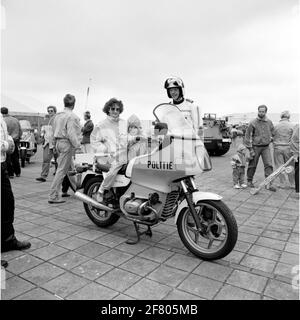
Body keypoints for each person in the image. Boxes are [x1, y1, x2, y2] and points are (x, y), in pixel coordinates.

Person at [96, 114, 148, 202]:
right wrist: (135, 139)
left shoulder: (142, 134)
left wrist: (156, 139)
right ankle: (101, 190)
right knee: (114, 170)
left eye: (135, 127)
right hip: (122, 157)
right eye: (131, 127)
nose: (133, 129)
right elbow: (127, 140)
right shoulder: (125, 135)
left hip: (135, 160)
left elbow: (148, 137)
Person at [1, 113, 31, 259]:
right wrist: (7, 144)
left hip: (2, 162)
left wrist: (9, 141)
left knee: (7, 202)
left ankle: (7, 240)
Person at [48, 94, 81, 204]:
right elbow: (72, 134)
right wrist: (78, 146)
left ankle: (79, 190)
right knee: (61, 171)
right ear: (74, 104)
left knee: (70, 169)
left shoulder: (57, 115)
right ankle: (53, 196)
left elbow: (52, 131)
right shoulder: (72, 116)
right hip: (66, 144)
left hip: (58, 143)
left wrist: (53, 145)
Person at [244, 105, 276, 192]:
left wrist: (271, 138)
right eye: (260, 111)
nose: (261, 113)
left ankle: (268, 183)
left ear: (266, 112)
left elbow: (273, 132)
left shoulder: (269, 122)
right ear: (258, 111)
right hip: (255, 147)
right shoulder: (253, 122)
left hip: (266, 147)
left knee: (269, 165)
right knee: (252, 165)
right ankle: (249, 181)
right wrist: (250, 149)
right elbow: (247, 136)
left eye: (263, 111)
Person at [272, 110, 294, 188]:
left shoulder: (276, 126)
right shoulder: (292, 126)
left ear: (281, 117)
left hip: (278, 147)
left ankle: (282, 183)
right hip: (288, 148)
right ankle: (292, 183)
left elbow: (272, 136)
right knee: (291, 166)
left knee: (279, 166)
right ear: (289, 117)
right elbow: (294, 138)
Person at [36, 106, 58, 182]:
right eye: (48, 111)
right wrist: (42, 136)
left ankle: (59, 175)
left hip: (56, 143)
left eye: (51, 111)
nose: (50, 112)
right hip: (47, 143)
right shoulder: (46, 120)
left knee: (58, 160)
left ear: (55, 111)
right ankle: (43, 176)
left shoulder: (57, 120)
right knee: (46, 160)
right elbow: (43, 130)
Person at [1, 107, 22, 178]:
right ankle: (18, 172)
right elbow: (20, 131)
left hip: (7, 141)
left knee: (7, 158)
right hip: (15, 140)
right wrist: (19, 138)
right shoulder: (15, 120)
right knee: (15, 157)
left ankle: (10, 173)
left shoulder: (2, 121)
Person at [290, 124, 299, 198]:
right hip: (299, 153)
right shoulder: (298, 127)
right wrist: (295, 153)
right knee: (298, 172)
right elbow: (294, 140)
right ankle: (298, 191)